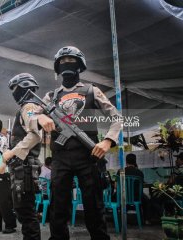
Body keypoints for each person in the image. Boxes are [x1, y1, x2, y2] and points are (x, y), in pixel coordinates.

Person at [37, 46, 122, 240]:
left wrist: (108, 141)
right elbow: (32, 116)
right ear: (57, 68)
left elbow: (116, 117)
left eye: (71, 60)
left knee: (94, 207)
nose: (67, 64)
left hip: (89, 156)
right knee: (58, 208)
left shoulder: (92, 91)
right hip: (60, 157)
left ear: (80, 66)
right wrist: (40, 119)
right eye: (63, 61)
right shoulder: (51, 96)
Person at [2, 73, 42, 240]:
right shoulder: (27, 107)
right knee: (23, 211)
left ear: (24, 87)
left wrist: (12, 152)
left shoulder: (29, 107)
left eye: (15, 88)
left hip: (24, 168)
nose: (13, 92)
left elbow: (34, 135)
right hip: (21, 167)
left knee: (26, 212)